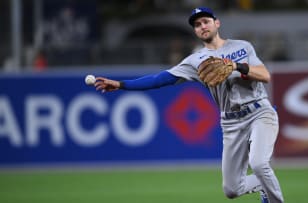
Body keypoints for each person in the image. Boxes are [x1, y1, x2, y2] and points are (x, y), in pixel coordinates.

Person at [94, 7, 284, 203]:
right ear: (195, 31)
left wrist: (237, 66)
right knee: (232, 189)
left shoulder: (242, 47)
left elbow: (265, 76)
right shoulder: (195, 61)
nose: (202, 26)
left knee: (259, 164)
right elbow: (159, 79)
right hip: (231, 123)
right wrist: (121, 85)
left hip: (259, 113)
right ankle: (263, 183)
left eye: (206, 21)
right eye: (197, 24)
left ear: (216, 23)